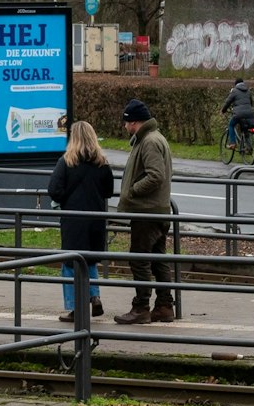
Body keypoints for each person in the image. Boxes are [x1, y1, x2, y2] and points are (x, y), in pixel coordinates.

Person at [114, 98, 175, 325]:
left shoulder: (148, 141)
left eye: (126, 122)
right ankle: (165, 306)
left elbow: (155, 175)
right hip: (158, 209)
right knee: (158, 260)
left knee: (139, 260)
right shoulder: (156, 138)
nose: (124, 126)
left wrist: (132, 191)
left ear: (134, 122)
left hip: (147, 212)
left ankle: (141, 308)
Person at [47, 120, 113, 321]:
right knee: (89, 260)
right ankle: (94, 296)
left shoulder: (66, 162)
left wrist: (67, 195)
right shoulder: (102, 163)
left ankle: (76, 308)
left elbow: (54, 190)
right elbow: (108, 190)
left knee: (70, 263)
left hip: (73, 220)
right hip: (96, 219)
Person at [221, 79, 254, 150]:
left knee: (231, 125)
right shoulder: (248, 91)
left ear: (235, 84)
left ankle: (233, 143)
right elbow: (251, 103)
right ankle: (248, 147)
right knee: (245, 128)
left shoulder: (234, 91)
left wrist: (223, 110)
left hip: (239, 114)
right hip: (249, 113)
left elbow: (228, 102)